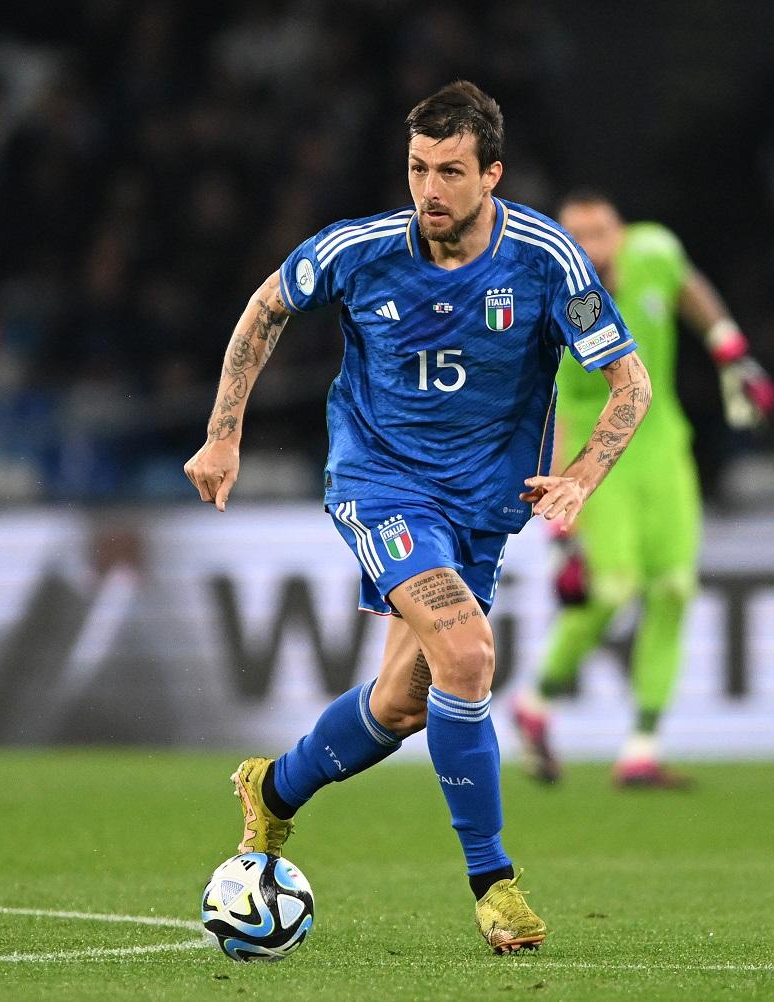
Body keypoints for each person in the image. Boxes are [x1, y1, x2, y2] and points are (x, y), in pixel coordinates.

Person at [184, 83, 651, 954]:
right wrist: (223, 437)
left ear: (491, 175)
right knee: (469, 654)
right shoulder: (363, 250)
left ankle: (272, 790)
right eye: (416, 169)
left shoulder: (548, 259)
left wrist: (583, 475)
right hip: (383, 486)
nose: (427, 190)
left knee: (404, 702)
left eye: (448, 172)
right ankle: (494, 883)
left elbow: (632, 383)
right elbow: (266, 307)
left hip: (483, 510)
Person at [512, 191, 774, 789]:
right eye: (575, 235)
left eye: (600, 232)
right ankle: (536, 702)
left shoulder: (654, 252)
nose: (591, 246)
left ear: (621, 233)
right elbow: (548, 407)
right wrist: (561, 524)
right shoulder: (560, 301)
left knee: (675, 590)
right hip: (598, 455)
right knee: (610, 590)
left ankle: (641, 749)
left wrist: (733, 354)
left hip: (662, 447)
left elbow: (690, 289)